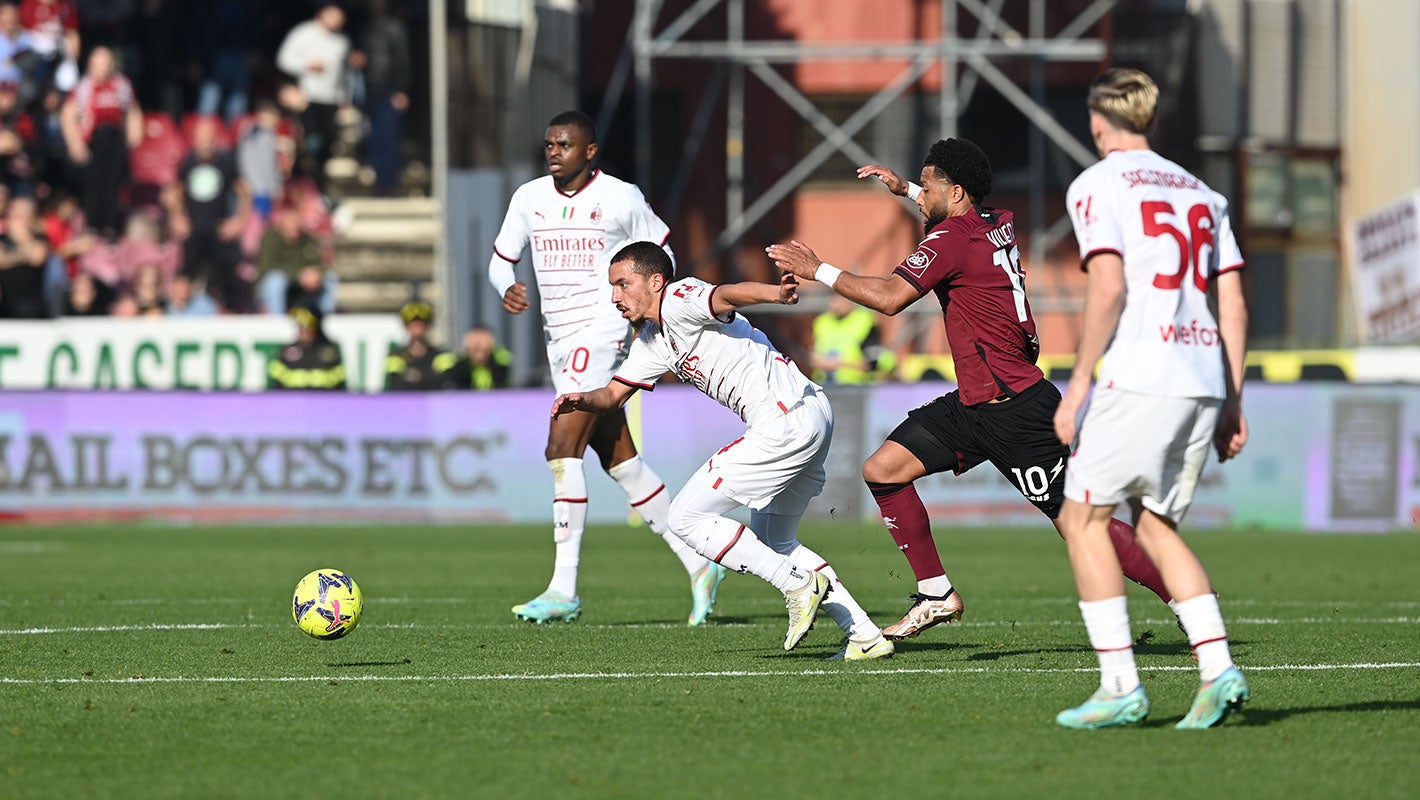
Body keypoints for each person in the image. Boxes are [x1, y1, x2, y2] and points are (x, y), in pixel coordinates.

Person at [767, 139, 1174, 643]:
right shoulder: (995, 219)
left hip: (1017, 409)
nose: (921, 197)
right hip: (976, 403)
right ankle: (937, 593)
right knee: (884, 470)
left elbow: (892, 298)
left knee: (1081, 524)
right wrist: (907, 188)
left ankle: (1189, 598)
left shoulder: (950, 241)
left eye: (928, 185)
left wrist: (818, 270)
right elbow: (954, 210)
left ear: (955, 191)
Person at [554, 241, 890, 659]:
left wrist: (774, 293)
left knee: (685, 517)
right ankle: (863, 634)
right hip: (810, 412)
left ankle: (796, 584)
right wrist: (580, 399)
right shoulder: (653, 340)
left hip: (783, 420)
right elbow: (611, 396)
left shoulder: (678, 298)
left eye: (623, 284)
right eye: (612, 287)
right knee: (774, 539)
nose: (614, 296)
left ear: (656, 281)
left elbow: (725, 294)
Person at [1051, 68, 1250, 730]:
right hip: (1200, 376)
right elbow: (1234, 300)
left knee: (1083, 519)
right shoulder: (1202, 192)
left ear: (1096, 120)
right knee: (1158, 527)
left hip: (1141, 371)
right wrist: (1232, 400)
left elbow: (1107, 288)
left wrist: (1077, 382)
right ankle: (1218, 671)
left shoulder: (1097, 183)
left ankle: (1119, 687)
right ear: (1151, 119)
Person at [488, 110, 724, 626]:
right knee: (620, 461)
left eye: (565, 144)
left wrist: (642, 318)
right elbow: (500, 258)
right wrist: (504, 285)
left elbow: (662, 253)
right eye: (549, 143)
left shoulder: (621, 196)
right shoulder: (528, 198)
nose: (553, 151)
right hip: (558, 338)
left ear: (589, 151)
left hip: (601, 333)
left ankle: (562, 587)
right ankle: (699, 562)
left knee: (560, 447)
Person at [166, 116, 250, 310]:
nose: (206, 144)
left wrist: (239, 220)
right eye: (201, 139)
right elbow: (176, 191)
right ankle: (181, 313)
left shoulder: (226, 163)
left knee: (224, 278)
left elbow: (244, 191)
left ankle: (227, 313)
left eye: (209, 139)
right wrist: (176, 217)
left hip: (219, 230)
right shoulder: (187, 163)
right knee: (186, 275)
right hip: (194, 230)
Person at [58, 46, 141, 238]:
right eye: (97, 64)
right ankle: (93, 225)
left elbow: (132, 110)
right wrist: (75, 143)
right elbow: (68, 115)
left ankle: (110, 226)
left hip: (115, 139)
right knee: (94, 185)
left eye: (105, 64)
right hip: (93, 141)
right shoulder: (83, 88)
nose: (101, 69)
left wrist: (134, 136)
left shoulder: (122, 86)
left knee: (114, 185)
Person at [276, 2, 349, 194]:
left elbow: (343, 73)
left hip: (330, 98)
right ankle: (304, 183)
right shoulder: (303, 33)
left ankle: (319, 183)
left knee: (329, 140)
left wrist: (344, 96)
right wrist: (307, 66)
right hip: (307, 97)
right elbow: (284, 60)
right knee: (309, 141)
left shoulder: (341, 42)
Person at [357, 0, 410, 196]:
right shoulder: (367, 27)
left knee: (388, 139)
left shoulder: (394, 28)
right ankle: (379, 178)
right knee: (374, 138)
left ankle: (387, 182)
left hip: (389, 91)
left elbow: (403, 60)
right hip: (370, 92)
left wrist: (402, 90)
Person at [811, 293, 895, 384]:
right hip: (825, 385)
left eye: (840, 299)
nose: (836, 304)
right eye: (833, 299)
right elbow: (814, 358)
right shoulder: (822, 321)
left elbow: (872, 363)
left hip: (856, 386)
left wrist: (839, 364)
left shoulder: (865, 320)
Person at [268, 305, 347, 391]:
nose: (303, 331)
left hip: (324, 399)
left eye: (307, 327)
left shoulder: (330, 350)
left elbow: (339, 380)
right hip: (293, 399)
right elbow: (276, 381)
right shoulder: (287, 351)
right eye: (300, 327)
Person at [385, 301, 456, 391]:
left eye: (421, 324)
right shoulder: (395, 356)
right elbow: (397, 383)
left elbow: (442, 381)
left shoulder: (442, 356)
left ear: (428, 326)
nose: (417, 327)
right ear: (406, 327)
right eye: (413, 324)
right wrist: (429, 374)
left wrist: (414, 376)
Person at [0, 194, 50, 318]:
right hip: (6, 305)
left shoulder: (40, 238)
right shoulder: (3, 239)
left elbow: (38, 257)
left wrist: (22, 239)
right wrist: (24, 255)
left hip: (33, 306)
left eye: (20, 215)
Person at [441, 326, 512, 390]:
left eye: (483, 344)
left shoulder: (500, 368)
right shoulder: (456, 370)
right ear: (466, 347)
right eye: (474, 346)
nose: (478, 346)